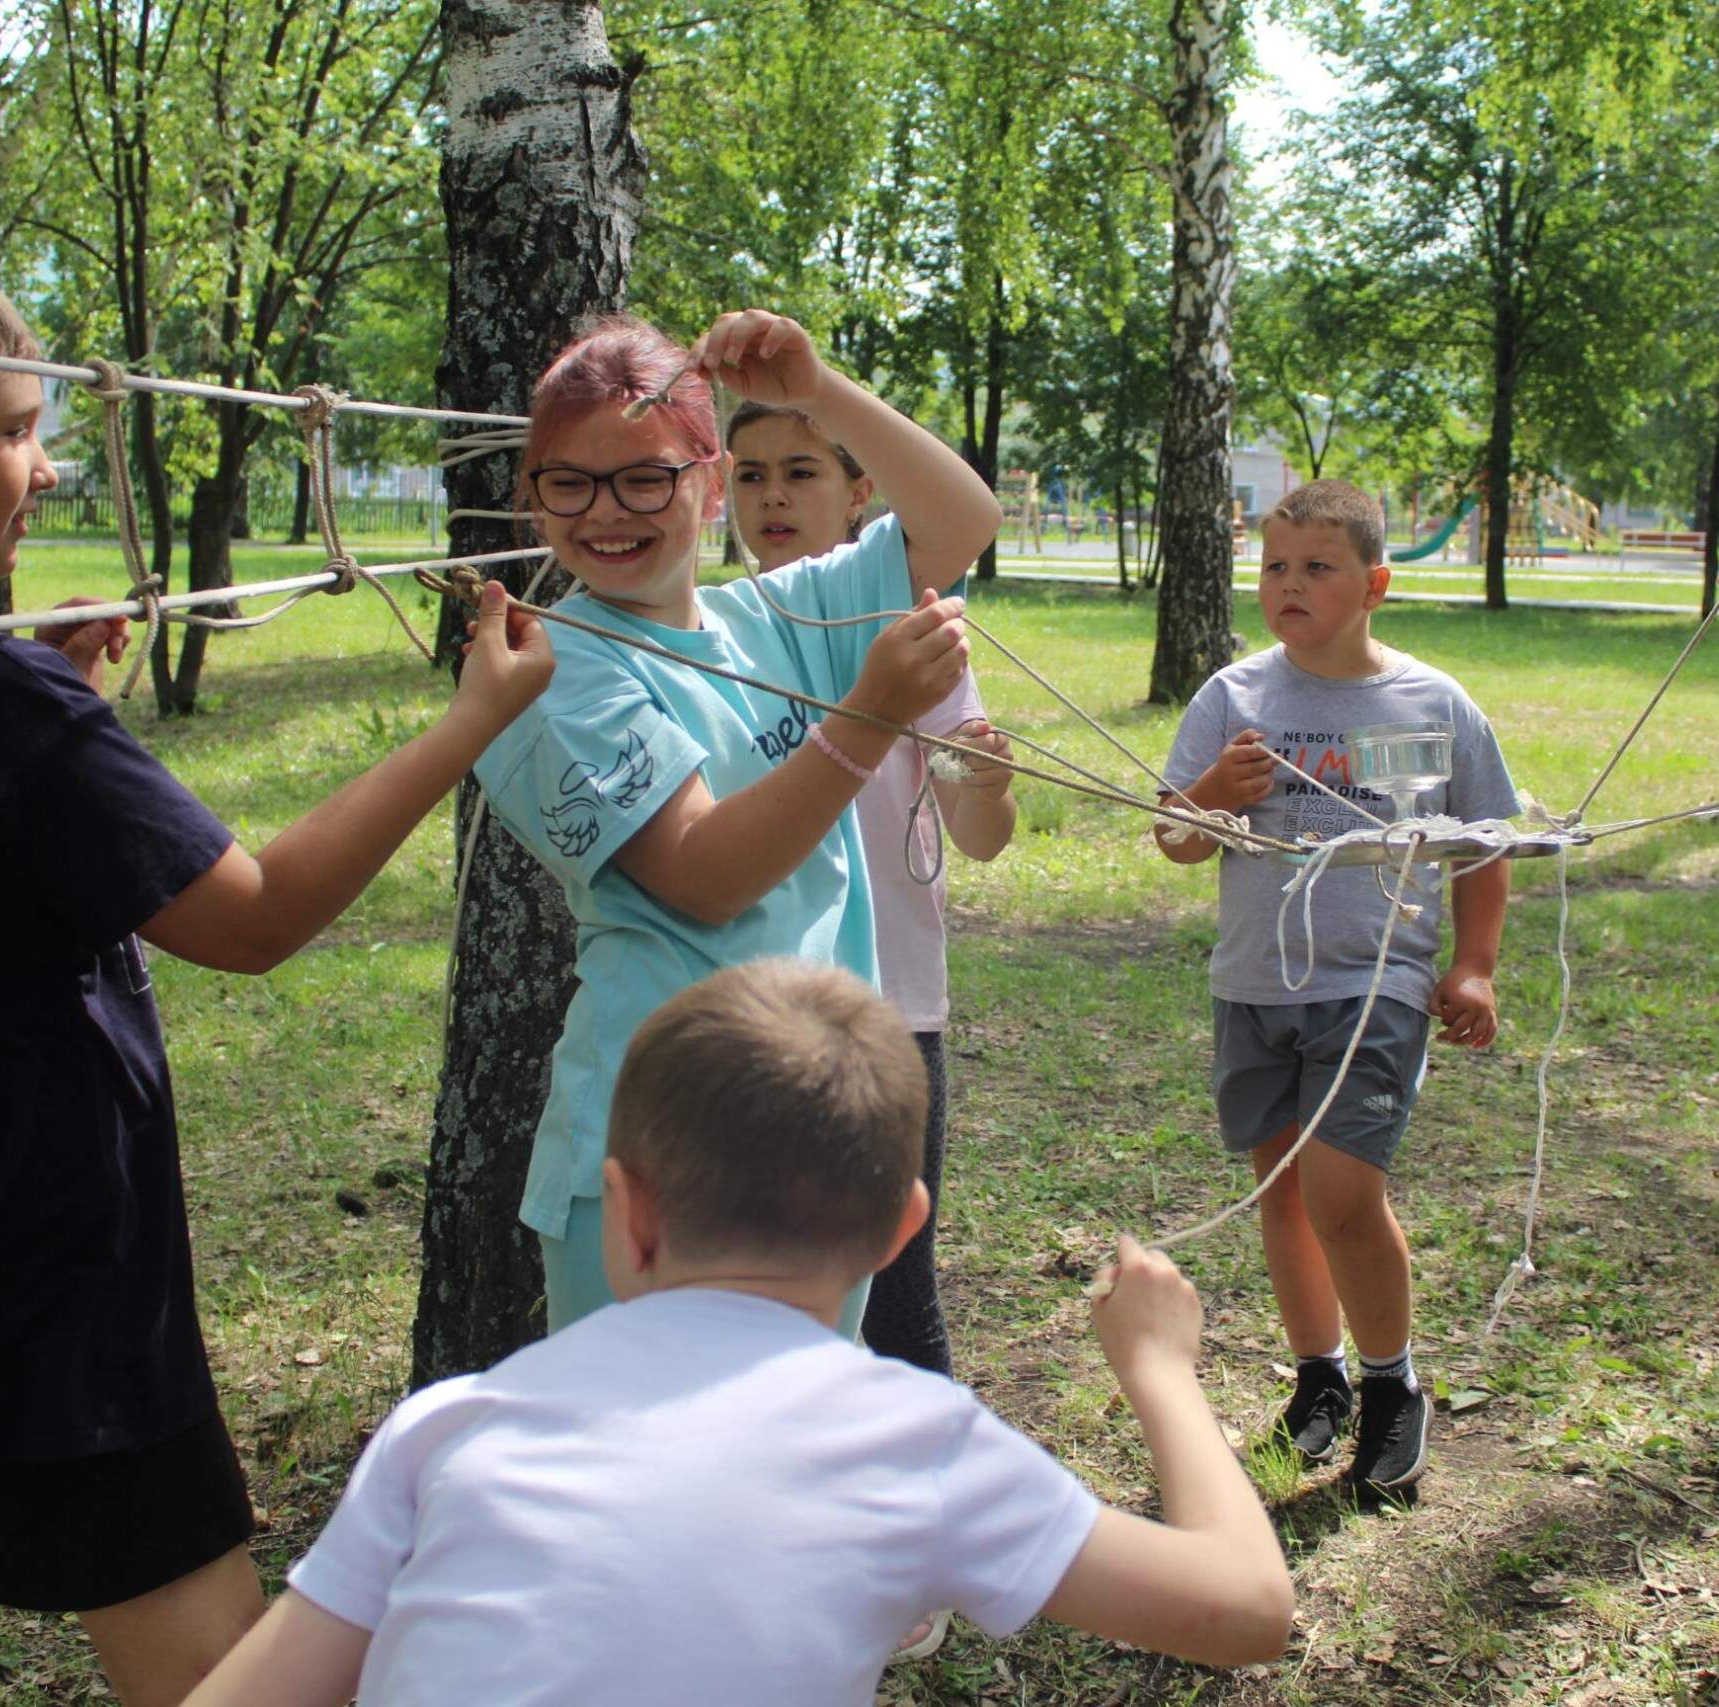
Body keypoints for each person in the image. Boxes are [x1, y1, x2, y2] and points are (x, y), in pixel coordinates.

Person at [0, 234, 553, 1707]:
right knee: (215, 1666)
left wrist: (51, 702)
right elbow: (256, 915)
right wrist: (469, 718)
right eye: (23, 428)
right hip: (30, 1272)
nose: (47, 467)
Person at [181, 960, 1295, 1707]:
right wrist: (1158, 1369)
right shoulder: (915, 1441)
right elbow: (1245, 1609)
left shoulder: (447, 1428)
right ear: (904, 1228)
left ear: (625, 1210)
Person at [473, 310, 1003, 1342]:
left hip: (811, 1127)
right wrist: (867, 718)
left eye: (645, 477)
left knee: (789, 1469)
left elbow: (961, 519)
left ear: (708, 483)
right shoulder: (554, 667)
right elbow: (705, 874)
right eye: (566, 482)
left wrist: (822, 393)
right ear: (532, 496)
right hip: (654, 1156)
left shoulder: (774, 618)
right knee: (644, 1473)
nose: (605, 511)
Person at [1153, 479, 1518, 1494]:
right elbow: (1175, 837)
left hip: (1375, 984)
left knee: (1341, 1194)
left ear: (1375, 584)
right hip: (1254, 984)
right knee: (1283, 1194)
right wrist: (1212, 795)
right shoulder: (1234, 697)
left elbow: (1482, 846)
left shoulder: (1430, 705)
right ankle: (1319, 1380)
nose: (1289, 585)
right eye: (1274, 566)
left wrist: (1474, 966)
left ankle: (1392, 1387)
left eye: (1317, 566)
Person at [725, 396, 1017, 1380]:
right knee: (756, 1297)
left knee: (893, 1301)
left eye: (800, 472)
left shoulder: (909, 628)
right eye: (749, 473)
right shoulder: (699, 637)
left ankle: (932, 1515)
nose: (771, 495)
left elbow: (977, 836)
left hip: (892, 1008)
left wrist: (984, 783)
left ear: (859, 495)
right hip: (748, 1010)